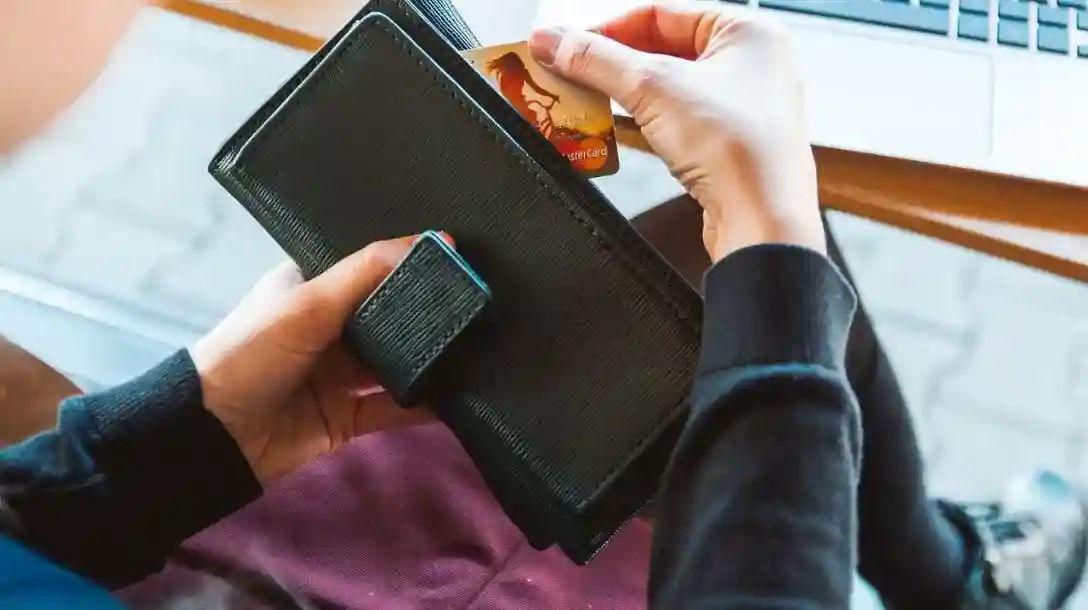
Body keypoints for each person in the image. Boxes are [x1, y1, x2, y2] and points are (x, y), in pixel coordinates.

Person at [0, 2, 1084, 609]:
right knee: (755, 292)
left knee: (700, 290)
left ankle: (947, 575)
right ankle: (954, 586)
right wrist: (770, 226)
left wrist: (167, 445)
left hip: (182, 527)